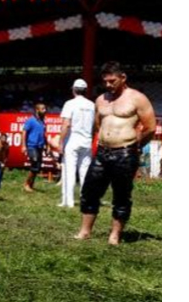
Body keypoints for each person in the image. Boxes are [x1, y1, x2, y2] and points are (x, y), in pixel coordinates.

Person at [74, 62, 156, 245]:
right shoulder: (101, 99)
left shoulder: (137, 98)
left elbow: (150, 127)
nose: (108, 85)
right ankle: (85, 231)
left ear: (123, 78)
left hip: (125, 152)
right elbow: (98, 125)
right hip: (102, 151)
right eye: (105, 81)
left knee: (121, 195)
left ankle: (115, 235)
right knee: (89, 191)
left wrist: (136, 145)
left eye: (112, 81)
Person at [59, 79, 95, 208]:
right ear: (85, 91)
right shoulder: (92, 105)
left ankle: (68, 201)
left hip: (73, 141)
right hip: (87, 141)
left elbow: (66, 124)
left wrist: (60, 142)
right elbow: (95, 125)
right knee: (84, 172)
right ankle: (84, 199)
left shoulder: (69, 104)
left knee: (70, 171)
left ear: (73, 89)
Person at [21, 102, 48, 193]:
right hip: (32, 146)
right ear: (37, 110)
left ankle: (31, 184)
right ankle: (26, 184)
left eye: (45, 109)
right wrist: (23, 145)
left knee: (38, 167)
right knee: (35, 164)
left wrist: (46, 146)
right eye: (43, 109)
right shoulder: (31, 120)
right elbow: (24, 132)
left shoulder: (43, 121)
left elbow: (44, 135)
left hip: (40, 146)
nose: (45, 111)